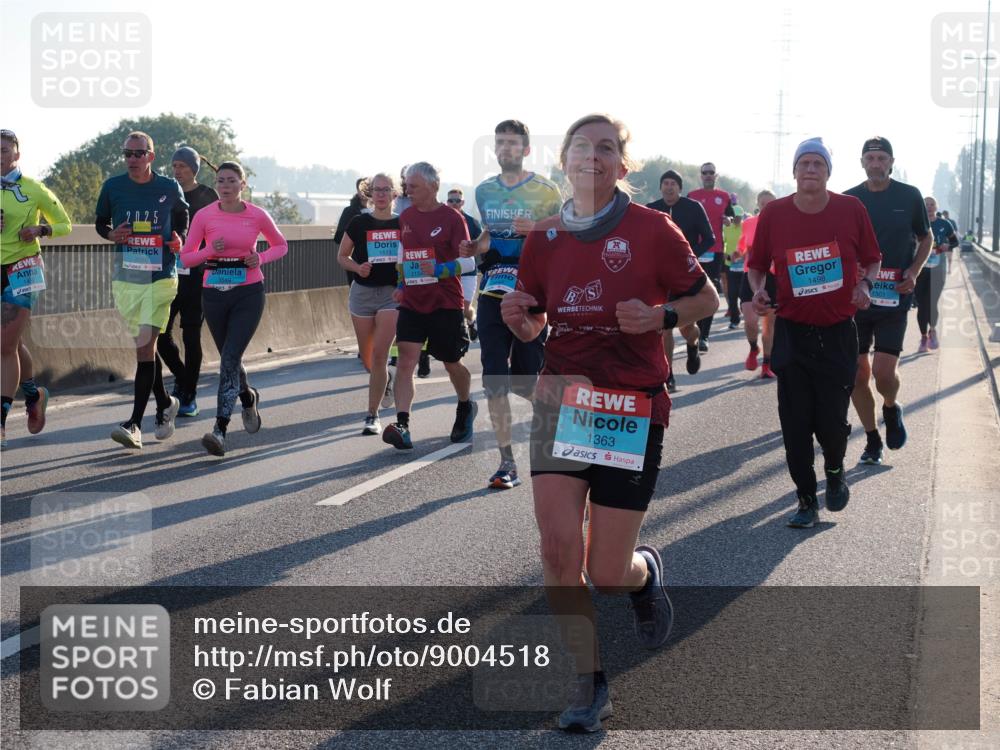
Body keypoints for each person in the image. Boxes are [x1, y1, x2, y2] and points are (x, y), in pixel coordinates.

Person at [502, 114, 718, 732]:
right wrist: (522, 320)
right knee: (556, 549)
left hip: (631, 407)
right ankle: (589, 684)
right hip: (564, 400)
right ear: (564, 160)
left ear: (623, 166)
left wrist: (659, 317)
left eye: (606, 148)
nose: (591, 156)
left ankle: (643, 574)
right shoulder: (544, 236)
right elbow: (536, 319)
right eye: (580, 146)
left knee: (605, 570)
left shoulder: (653, 228)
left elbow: (707, 300)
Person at [749, 137, 881, 528]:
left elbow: (873, 259)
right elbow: (756, 265)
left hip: (838, 332)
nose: (810, 169)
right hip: (792, 332)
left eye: (817, 164)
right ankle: (806, 500)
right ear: (794, 171)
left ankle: (836, 471)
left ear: (828, 172)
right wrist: (758, 290)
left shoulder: (850, 209)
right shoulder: (774, 213)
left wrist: (865, 286)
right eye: (804, 163)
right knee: (795, 423)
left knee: (830, 422)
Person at [461, 119, 562, 488]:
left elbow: (563, 235)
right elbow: (490, 235)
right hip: (492, 290)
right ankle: (507, 464)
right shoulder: (485, 190)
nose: (505, 149)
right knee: (494, 380)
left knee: (524, 382)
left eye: (512, 143)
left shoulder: (545, 189)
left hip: (531, 291)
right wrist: (476, 247)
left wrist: (536, 228)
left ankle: (557, 415)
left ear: (526, 149)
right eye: (500, 143)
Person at [180, 161, 287, 456]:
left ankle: (220, 429)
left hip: (247, 293)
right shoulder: (204, 215)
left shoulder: (256, 214)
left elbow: (281, 245)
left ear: (243, 184)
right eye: (220, 181)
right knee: (231, 358)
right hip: (214, 292)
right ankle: (247, 396)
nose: (225, 186)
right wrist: (209, 251)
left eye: (231, 181)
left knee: (228, 358)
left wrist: (260, 258)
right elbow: (186, 258)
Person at [96, 131, 188, 450]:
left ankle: (134, 423)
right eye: (127, 154)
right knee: (144, 347)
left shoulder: (167, 187)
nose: (132, 159)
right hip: (126, 278)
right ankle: (165, 403)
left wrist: (180, 239)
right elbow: (100, 223)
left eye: (138, 153)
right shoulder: (113, 187)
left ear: (151, 155)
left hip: (161, 276)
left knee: (145, 347)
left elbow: (182, 217)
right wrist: (112, 235)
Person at [844, 137, 931, 465]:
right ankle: (871, 439)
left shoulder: (909, 196)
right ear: (862, 162)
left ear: (891, 162)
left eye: (882, 158)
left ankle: (891, 408)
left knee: (882, 373)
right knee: (856, 375)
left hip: (894, 297)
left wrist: (914, 269)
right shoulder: (849, 199)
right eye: (870, 158)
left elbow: (926, 237)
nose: (876, 163)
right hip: (857, 299)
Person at [382, 162, 476, 450]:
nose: (407, 190)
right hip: (412, 301)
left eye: (413, 186)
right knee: (406, 361)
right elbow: (402, 254)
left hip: (445, 302)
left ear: (433, 187)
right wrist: (400, 285)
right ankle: (403, 424)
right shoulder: (406, 216)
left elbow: (469, 262)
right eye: (406, 185)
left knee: (451, 363)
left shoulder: (452, 218)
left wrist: (439, 269)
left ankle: (464, 405)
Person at [1, 129, 72, 448]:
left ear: (16, 155)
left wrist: (41, 228)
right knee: (9, 343)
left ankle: (0, 422)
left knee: (4, 346)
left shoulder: (34, 189)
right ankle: (33, 395)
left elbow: (65, 224)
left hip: (24, 267)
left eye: (4, 150)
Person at [156, 147, 219, 418]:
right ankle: (184, 380)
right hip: (168, 273)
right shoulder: (167, 191)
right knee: (160, 336)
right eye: (174, 165)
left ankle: (189, 396)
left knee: (191, 334)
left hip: (198, 275)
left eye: (182, 165)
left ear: (194, 168)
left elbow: (218, 230)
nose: (177, 170)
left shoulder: (207, 195)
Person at [337, 174, 401, 435]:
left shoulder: (403, 223)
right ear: (370, 194)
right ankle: (385, 379)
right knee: (368, 358)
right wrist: (357, 267)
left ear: (394, 194)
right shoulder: (359, 222)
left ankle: (371, 415)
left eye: (386, 189)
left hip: (391, 294)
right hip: (362, 293)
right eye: (377, 190)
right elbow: (342, 256)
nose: (381, 194)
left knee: (379, 355)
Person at [645, 169, 715, 389]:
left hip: (685, 276)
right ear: (660, 187)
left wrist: (690, 257)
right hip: (660, 278)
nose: (668, 186)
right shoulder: (651, 210)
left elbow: (710, 238)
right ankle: (668, 376)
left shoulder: (693, 208)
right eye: (665, 183)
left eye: (673, 183)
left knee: (687, 329)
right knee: (664, 326)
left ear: (679, 188)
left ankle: (693, 344)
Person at [687, 161, 735, 351]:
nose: (708, 175)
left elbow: (731, 217)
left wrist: (728, 220)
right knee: (693, 291)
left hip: (715, 250)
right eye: (705, 172)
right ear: (701, 175)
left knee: (711, 291)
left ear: (716, 176)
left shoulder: (724, 197)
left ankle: (704, 335)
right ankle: (693, 329)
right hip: (694, 250)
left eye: (711, 172)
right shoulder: (692, 196)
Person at [737, 190, 777, 378]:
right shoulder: (749, 223)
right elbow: (742, 246)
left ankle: (767, 364)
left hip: (773, 277)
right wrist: (738, 253)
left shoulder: (782, 224)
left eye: (771, 204)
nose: (767, 207)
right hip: (750, 275)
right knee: (751, 322)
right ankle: (754, 348)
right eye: (763, 204)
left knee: (769, 326)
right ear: (758, 204)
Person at [917, 196, 959, 352]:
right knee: (922, 304)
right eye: (926, 204)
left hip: (938, 269)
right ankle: (923, 337)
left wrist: (947, 246)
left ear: (936, 206)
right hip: (919, 269)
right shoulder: (916, 222)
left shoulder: (944, 224)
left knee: (932, 301)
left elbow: (956, 242)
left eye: (931, 204)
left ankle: (932, 330)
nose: (928, 207)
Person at [446, 188, 482, 341]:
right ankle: (459, 336)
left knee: (465, 308)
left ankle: (472, 321)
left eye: (457, 201)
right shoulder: (441, 221)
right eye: (451, 200)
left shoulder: (472, 222)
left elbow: (481, 245)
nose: (454, 203)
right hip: (447, 271)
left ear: (463, 202)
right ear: (447, 202)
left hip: (468, 272)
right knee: (452, 307)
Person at [334, 178, 371, 290]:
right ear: (357, 190)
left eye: (369, 188)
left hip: (378, 264)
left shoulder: (380, 212)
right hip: (356, 263)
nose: (365, 191)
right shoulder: (350, 211)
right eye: (362, 188)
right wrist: (357, 237)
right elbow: (338, 236)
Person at [722, 205, 744, 329]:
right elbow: (723, 244)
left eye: (738, 217)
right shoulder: (726, 228)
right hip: (731, 265)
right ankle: (734, 320)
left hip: (744, 264)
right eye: (734, 217)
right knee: (732, 293)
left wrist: (744, 255)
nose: (736, 219)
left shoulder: (745, 227)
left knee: (743, 292)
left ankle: (747, 309)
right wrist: (726, 256)